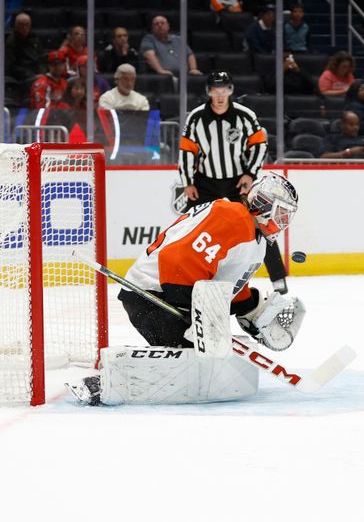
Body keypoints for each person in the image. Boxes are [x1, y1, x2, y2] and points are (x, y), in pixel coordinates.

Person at [67, 173, 303, 406]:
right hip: (152, 295)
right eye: (280, 213)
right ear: (263, 204)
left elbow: (226, 283)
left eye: (286, 216)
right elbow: (176, 259)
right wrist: (188, 309)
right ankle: (105, 381)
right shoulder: (233, 217)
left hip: (170, 293)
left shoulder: (256, 240)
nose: (282, 222)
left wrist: (251, 308)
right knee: (195, 362)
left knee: (213, 362)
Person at [180, 71, 289, 294]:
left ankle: (278, 279)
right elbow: (187, 150)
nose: (220, 96)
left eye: (225, 90)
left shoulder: (244, 115)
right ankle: (179, 275)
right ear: (208, 92)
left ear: (230, 91)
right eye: (215, 91)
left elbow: (260, 145)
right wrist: (187, 182)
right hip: (205, 184)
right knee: (186, 227)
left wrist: (250, 174)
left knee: (261, 225)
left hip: (238, 183)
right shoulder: (196, 117)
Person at [5, 13, 44, 83]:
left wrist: (42, 72)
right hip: (23, 76)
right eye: (21, 25)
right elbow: (11, 66)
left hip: (38, 73)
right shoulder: (11, 42)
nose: (24, 27)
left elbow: (41, 57)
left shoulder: (34, 38)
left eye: (27, 24)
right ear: (16, 26)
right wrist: (31, 75)